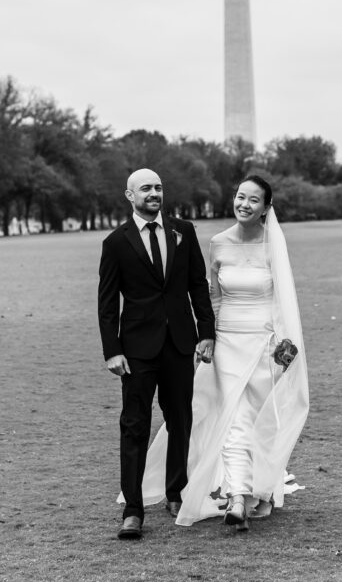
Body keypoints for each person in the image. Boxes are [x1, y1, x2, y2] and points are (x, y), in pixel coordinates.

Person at [140, 175, 310, 530]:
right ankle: (235, 497)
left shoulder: (273, 244)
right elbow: (213, 296)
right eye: (240, 196)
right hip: (227, 342)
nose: (244, 204)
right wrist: (208, 338)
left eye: (253, 200)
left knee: (255, 420)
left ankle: (254, 491)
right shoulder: (218, 242)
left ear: (266, 208)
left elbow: (284, 302)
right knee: (232, 418)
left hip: (265, 346)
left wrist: (285, 347)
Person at [97, 168, 216, 540]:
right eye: (145, 188)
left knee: (180, 420)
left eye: (159, 187)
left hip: (180, 344)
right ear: (129, 195)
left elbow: (198, 284)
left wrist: (206, 333)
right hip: (136, 350)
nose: (154, 193)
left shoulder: (185, 231)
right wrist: (112, 351)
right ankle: (133, 510)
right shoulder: (116, 242)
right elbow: (106, 304)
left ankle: (176, 493)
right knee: (134, 425)